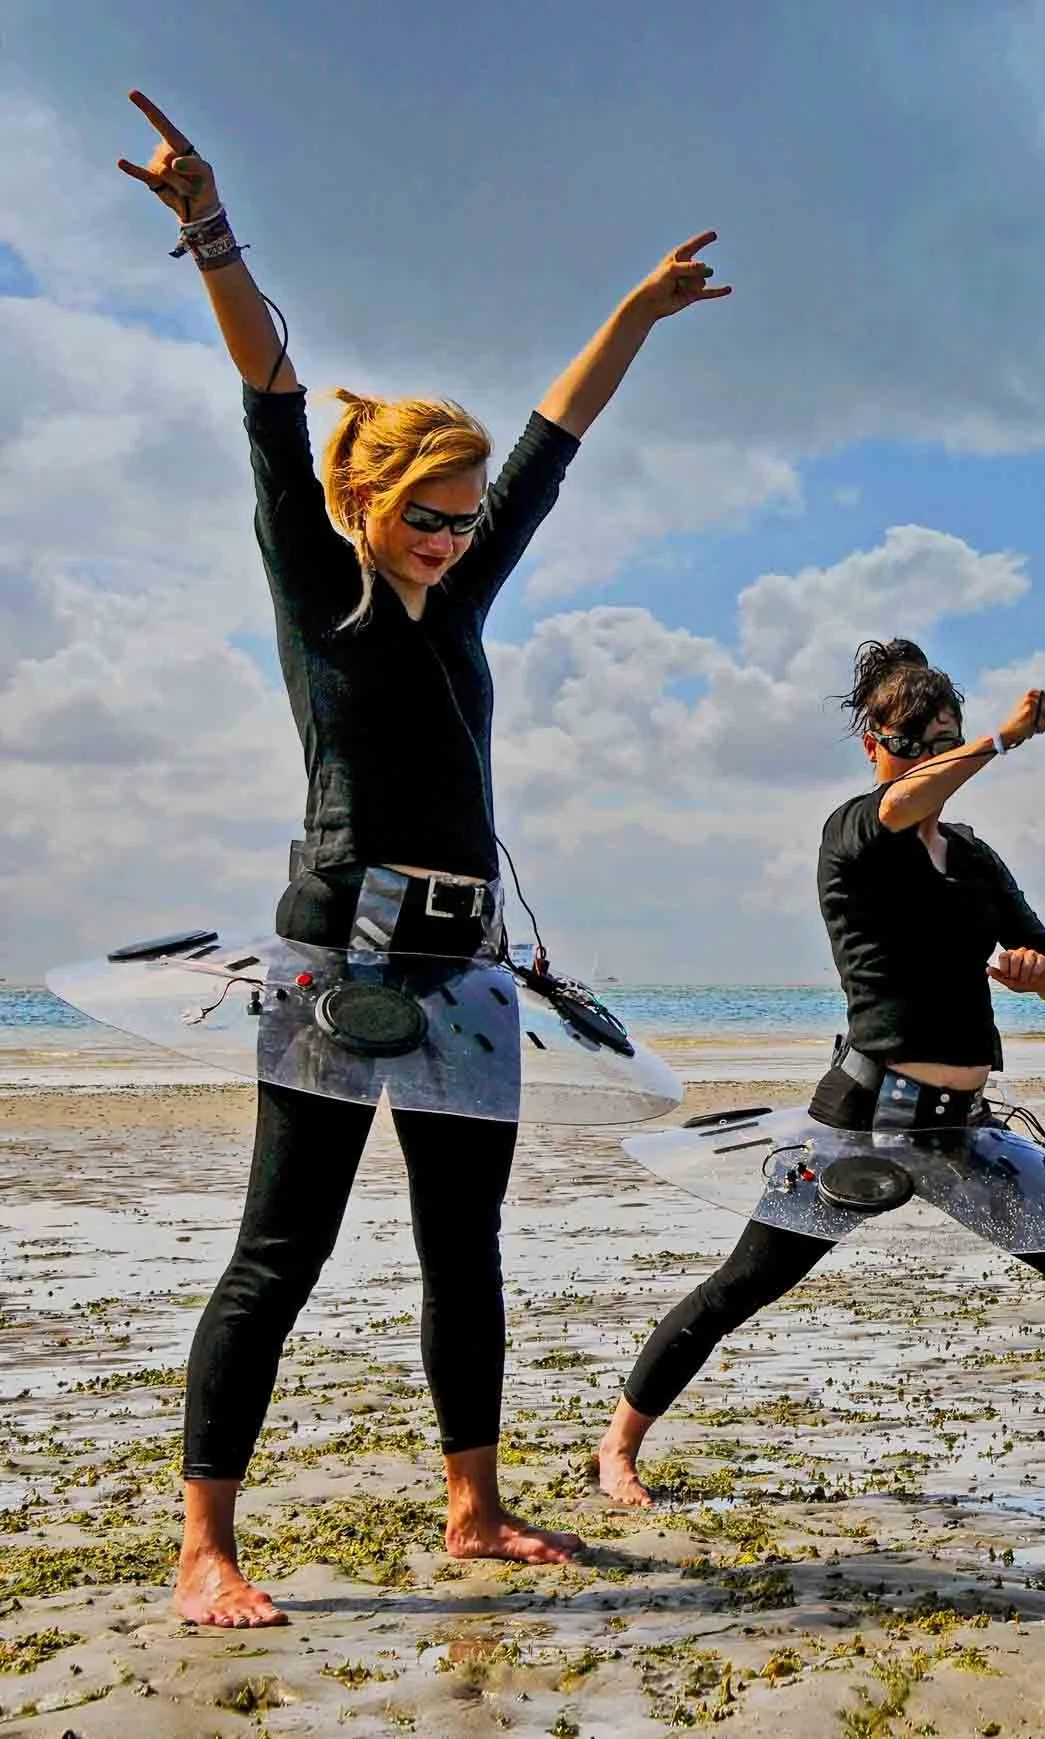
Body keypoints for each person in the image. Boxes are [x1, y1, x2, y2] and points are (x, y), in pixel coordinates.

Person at [115, 90, 730, 1627]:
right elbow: (267, 385)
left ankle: (473, 1505)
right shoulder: (320, 583)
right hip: (333, 951)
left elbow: (555, 440)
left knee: (467, 1247)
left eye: (463, 521)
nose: (455, 537)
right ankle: (207, 1544)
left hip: (461, 964)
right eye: (430, 517)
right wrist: (207, 226)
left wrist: (636, 313)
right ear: (368, 501)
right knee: (284, 1246)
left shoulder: (459, 595)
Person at [596, 640, 1045, 1514]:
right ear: (876, 742)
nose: (933, 756)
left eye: (944, 736)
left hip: (961, 1129)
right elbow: (910, 799)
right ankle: (617, 1446)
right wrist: (996, 740)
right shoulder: (855, 833)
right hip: (859, 1121)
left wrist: (1040, 973)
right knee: (747, 1281)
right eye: (918, 741)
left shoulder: (976, 860)